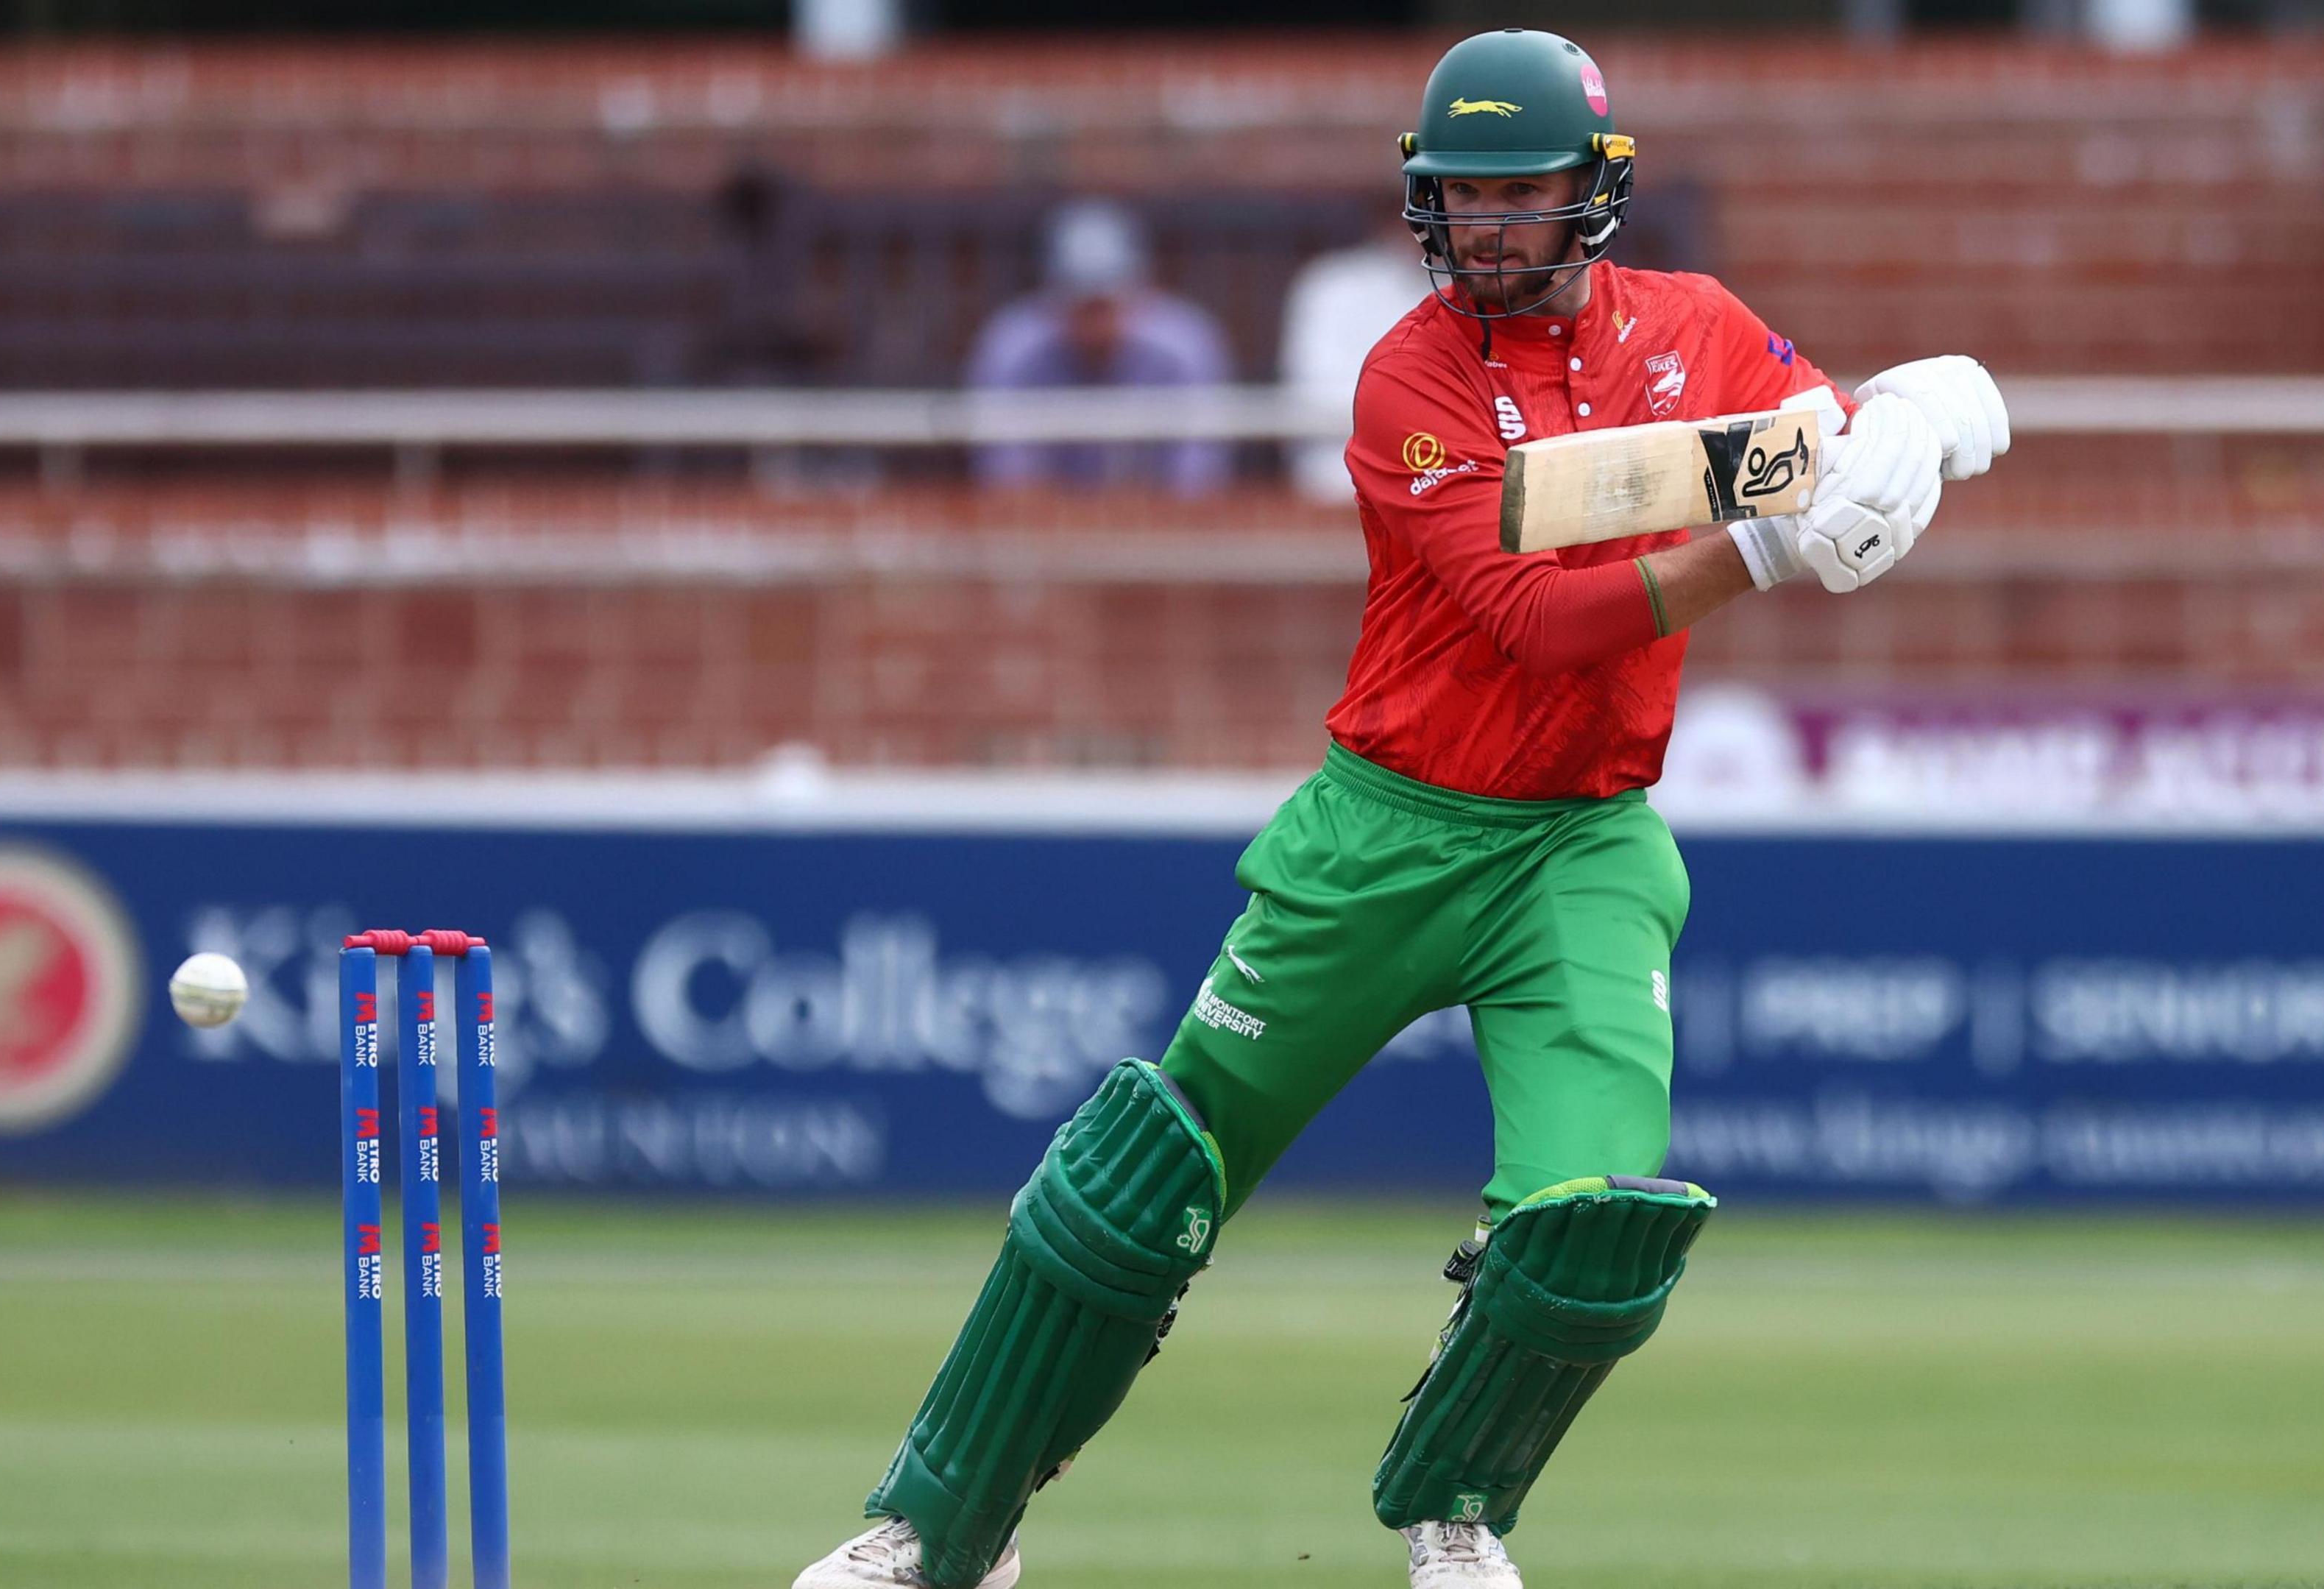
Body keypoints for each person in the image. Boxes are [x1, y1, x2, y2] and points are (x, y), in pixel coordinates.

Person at [796, 29, 2008, 1589]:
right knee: (1142, 1179)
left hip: (1583, 839)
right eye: (1465, 195)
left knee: (1589, 1219)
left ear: (1599, 189)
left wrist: (1923, 408)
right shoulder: (1409, 376)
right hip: (1387, 832)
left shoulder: (1695, 329)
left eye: (1525, 191)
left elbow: (1816, 443)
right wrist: (1766, 549)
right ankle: (936, 1525)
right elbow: (1532, 615)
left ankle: (1460, 1516)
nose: (1491, 225)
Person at [966, 197, 1232, 496]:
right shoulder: (1013, 348)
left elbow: (1198, 482)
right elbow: (1006, 483)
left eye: (1105, 305)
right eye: (1080, 305)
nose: (1094, 323)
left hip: (1158, 531)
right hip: (1045, 533)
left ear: (1142, 291)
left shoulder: (1184, 347)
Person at [1280, 194, 1436, 503]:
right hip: (1339, 482)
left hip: (1452, 478)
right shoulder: (1333, 284)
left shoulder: (1470, 289)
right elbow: (1316, 393)